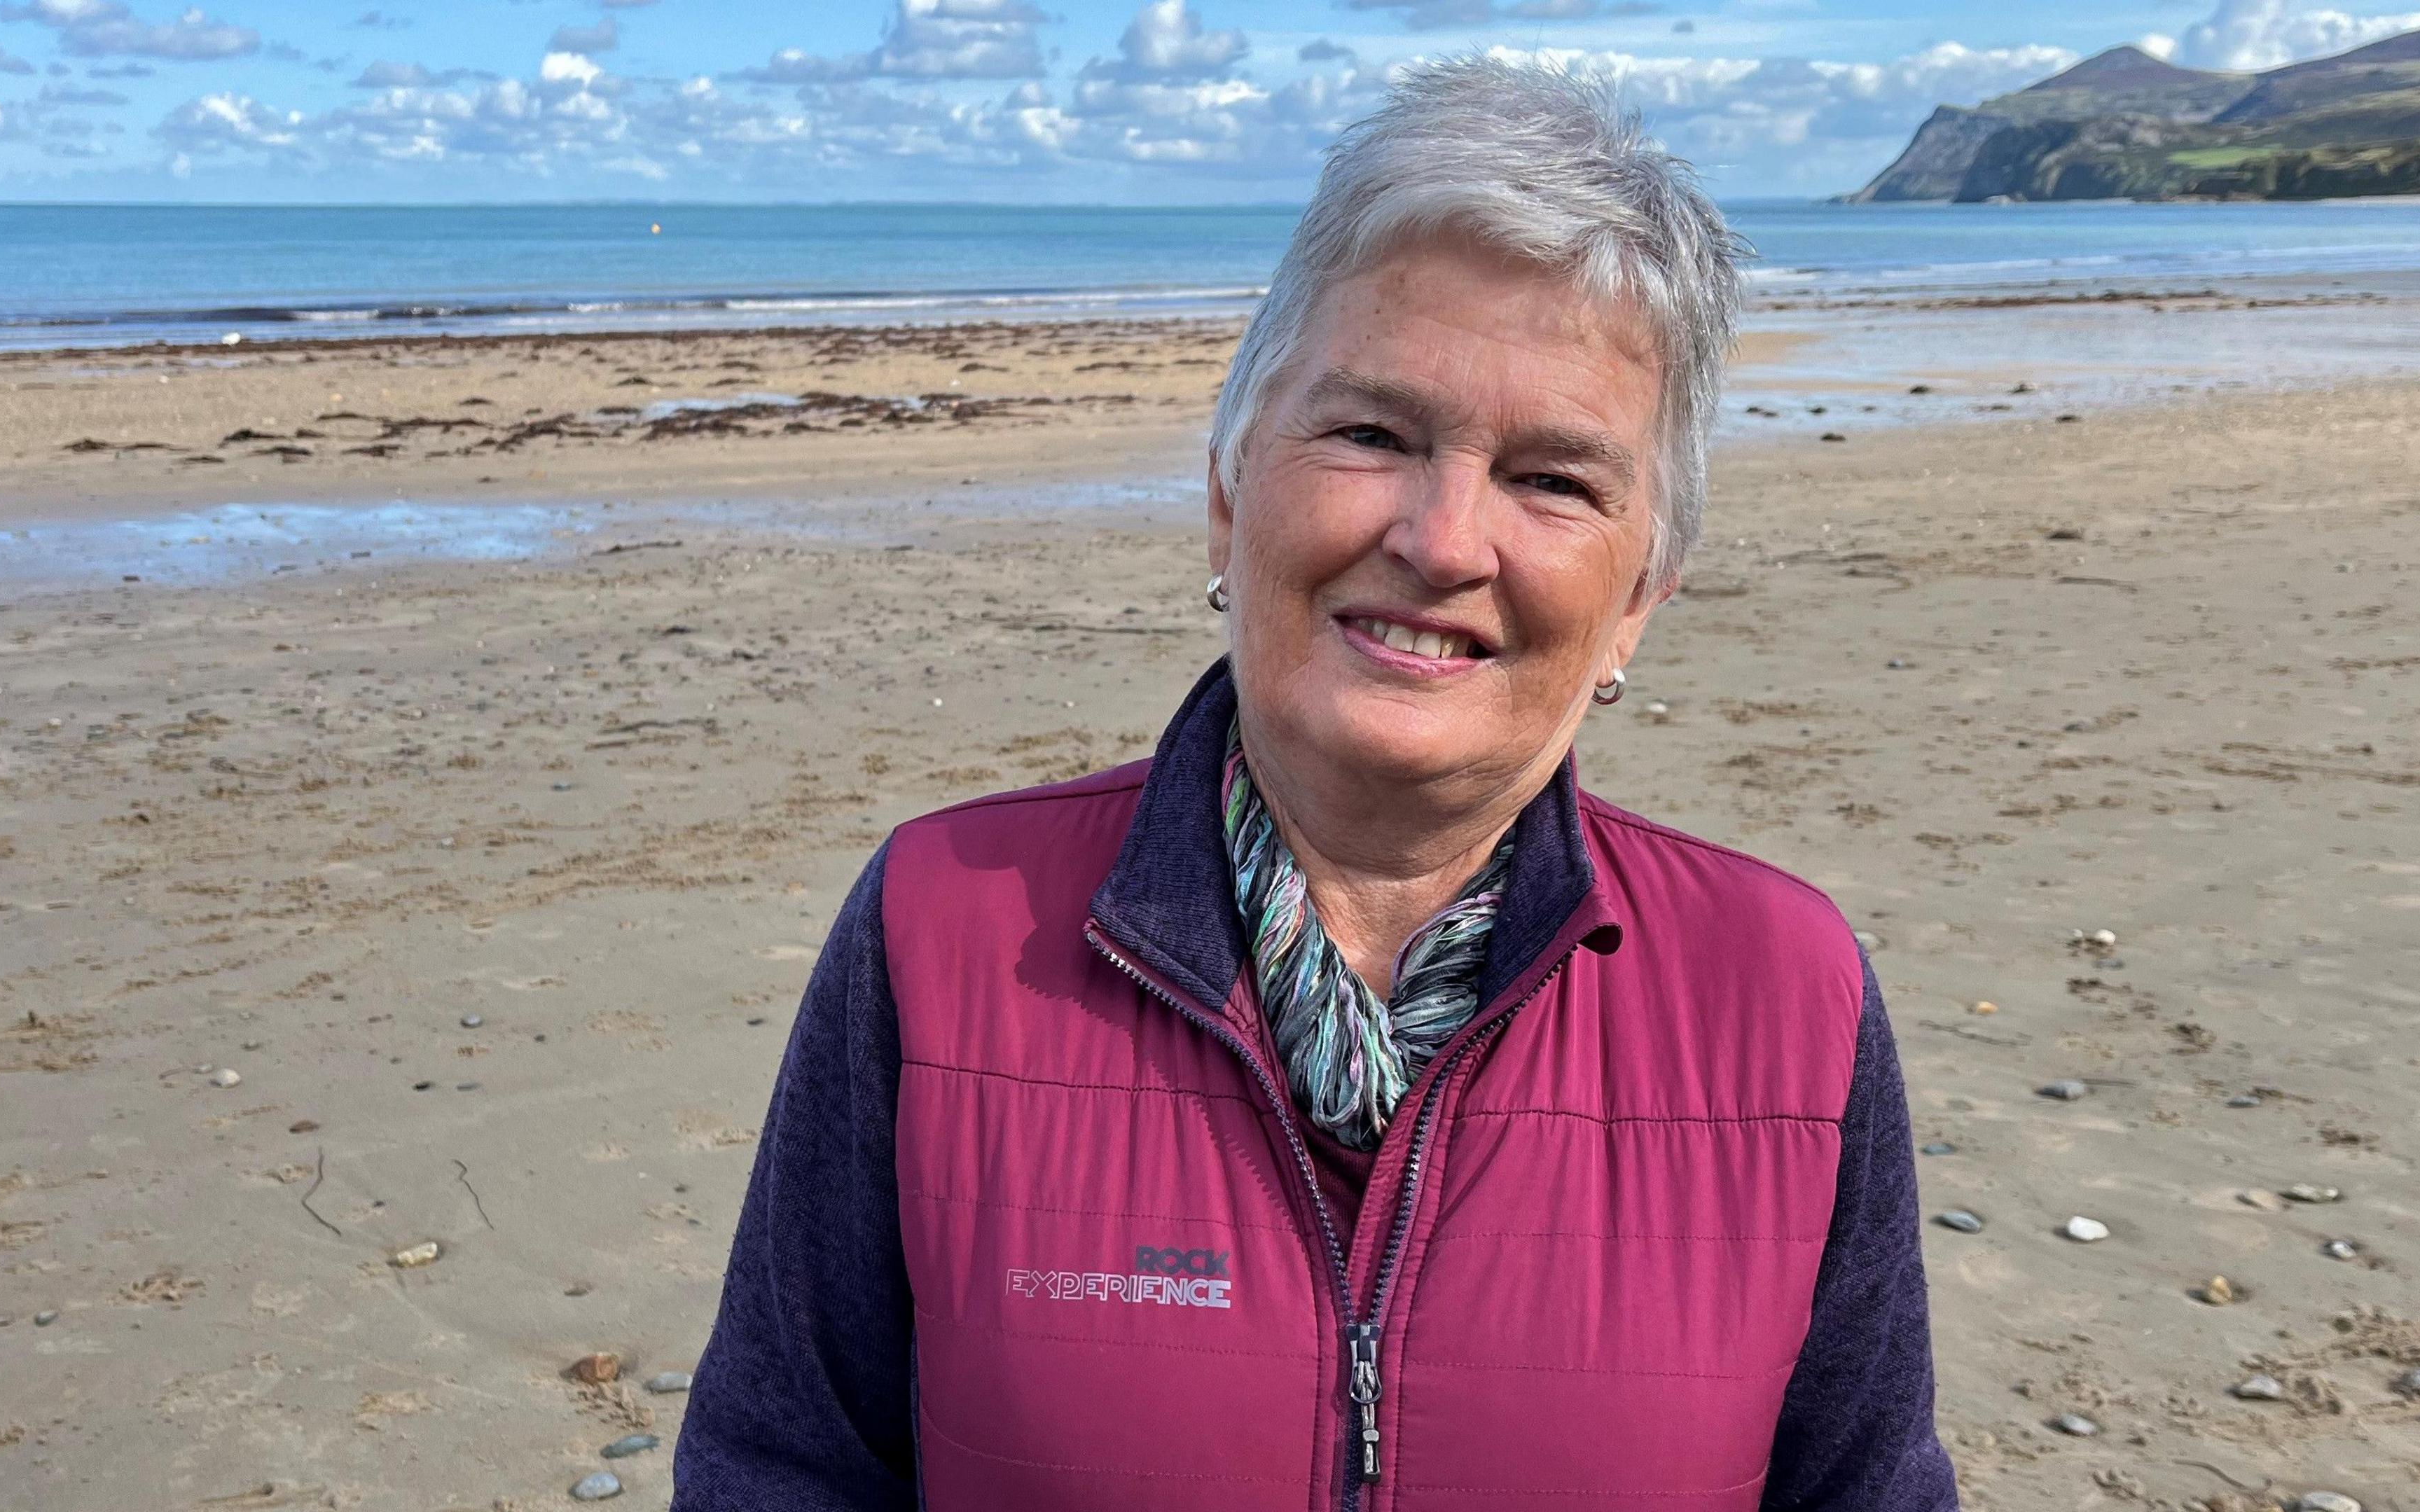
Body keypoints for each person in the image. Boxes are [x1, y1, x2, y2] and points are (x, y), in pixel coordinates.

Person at [673, 56, 1957, 1512]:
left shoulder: (1785, 996)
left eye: (1555, 479)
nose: (1445, 538)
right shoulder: (939, 928)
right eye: (1371, 435)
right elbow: (781, 1471)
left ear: (1641, 596)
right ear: (1229, 495)